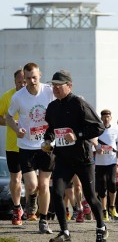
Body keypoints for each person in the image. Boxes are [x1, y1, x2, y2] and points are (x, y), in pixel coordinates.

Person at [42, 70, 108, 242]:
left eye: (59, 85)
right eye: (53, 85)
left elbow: (98, 127)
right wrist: (47, 141)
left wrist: (77, 135)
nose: (55, 88)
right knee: (56, 192)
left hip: (83, 159)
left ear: (69, 86)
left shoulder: (79, 103)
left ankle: (101, 227)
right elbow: (50, 129)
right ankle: (65, 232)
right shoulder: (52, 107)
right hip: (63, 158)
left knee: (91, 196)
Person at [6, 62, 55, 233]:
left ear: (39, 75)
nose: (32, 81)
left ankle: (43, 219)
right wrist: (15, 128)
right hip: (26, 145)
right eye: (28, 78)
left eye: (34, 77)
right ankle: (31, 199)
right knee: (32, 186)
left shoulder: (49, 91)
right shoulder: (18, 97)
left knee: (44, 185)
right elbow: (9, 116)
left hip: (47, 144)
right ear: (24, 79)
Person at [0, 69, 26, 225]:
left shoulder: (34, 96)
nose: (23, 85)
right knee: (15, 179)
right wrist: (10, 123)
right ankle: (17, 209)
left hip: (32, 145)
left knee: (33, 182)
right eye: (19, 82)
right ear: (14, 81)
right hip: (13, 145)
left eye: (25, 82)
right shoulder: (7, 97)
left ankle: (32, 202)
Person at [94, 109, 118, 221]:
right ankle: (104, 211)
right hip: (100, 162)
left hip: (112, 161)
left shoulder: (116, 130)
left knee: (113, 183)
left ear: (111, 118)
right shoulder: (97, 129)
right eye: (104, 117)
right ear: (101, 118)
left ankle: (112, 207)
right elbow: (92, 141)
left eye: (108, 117)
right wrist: (97, 148)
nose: (106, 119)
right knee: (102, 187)